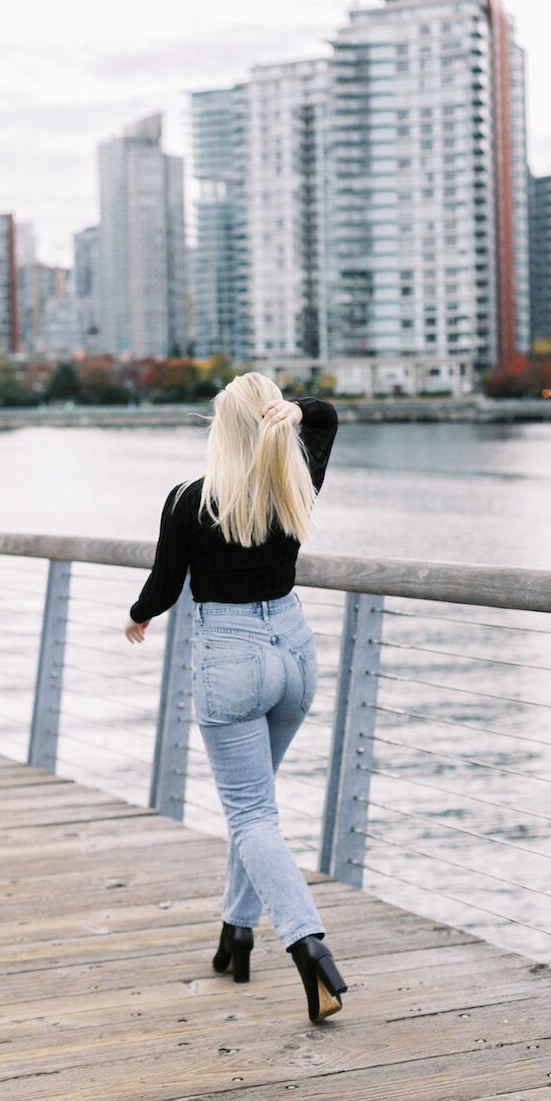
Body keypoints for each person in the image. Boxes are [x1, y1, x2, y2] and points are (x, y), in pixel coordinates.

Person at [124, 371, 347, 1023]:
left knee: (251, 815)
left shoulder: (190, 500)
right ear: (273, 421)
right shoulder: (295, 482)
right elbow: (327, 414)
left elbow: (164, 587)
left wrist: (137, 615)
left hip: (232, 659)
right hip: (294, 653)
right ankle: (236, 934)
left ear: (222, 429)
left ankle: (308, 946)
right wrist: (295, 415)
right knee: (258, 810)